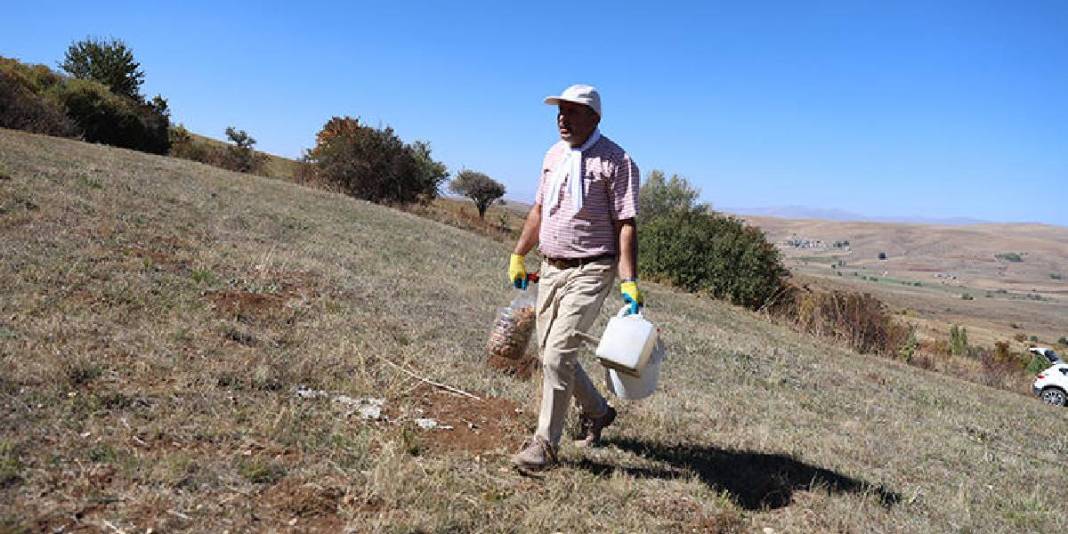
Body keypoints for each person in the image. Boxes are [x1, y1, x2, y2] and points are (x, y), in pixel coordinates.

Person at [508, 84, 642, 471]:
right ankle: (598, 411)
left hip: (592, 268)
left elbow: (626, 224)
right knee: (551, 351)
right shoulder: (553, 155)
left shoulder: (618, 160)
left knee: (557, 353)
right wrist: (519, 254)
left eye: (573, 112)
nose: (562, 119)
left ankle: (544, 445)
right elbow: (538, 210)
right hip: (550, 266)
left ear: (594, 117)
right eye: (559, 112)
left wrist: (629, 280)